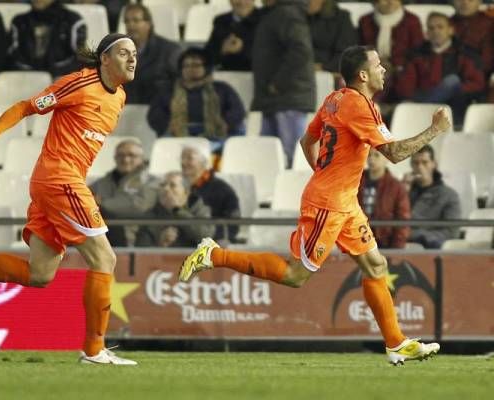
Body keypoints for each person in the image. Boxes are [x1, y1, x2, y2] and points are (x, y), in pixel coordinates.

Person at [180, 45, 450, 365]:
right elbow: (393, 154)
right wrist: (435, 130)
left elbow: (307, 141)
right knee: (295, 275)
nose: (384, 70)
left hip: (343, 201)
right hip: (328, 204)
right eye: (379, 65)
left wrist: (324, 175)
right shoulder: (360, 106)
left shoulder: (335, 99)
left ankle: (396, 343)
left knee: (376, 265)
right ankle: (213, 254)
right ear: (363, 75)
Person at [0, 33, 138, 366]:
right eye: (124, 52)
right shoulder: (78, 84)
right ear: (105, 58)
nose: (132, 58)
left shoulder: (119, 96)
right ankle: (94, 351)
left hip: (56, 183)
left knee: (40, 274)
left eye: (134, 53)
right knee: (104, 260)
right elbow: (26, 106)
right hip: (59, 179)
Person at [252, 0, 316, 167]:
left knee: (292, 157)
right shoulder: (279, 13)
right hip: (276, 98)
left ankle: (295, 192)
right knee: (270, 158)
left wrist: (279, 82)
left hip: (287, 97)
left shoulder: (286, 13)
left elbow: (301, 51)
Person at [147, 47, 246, 154]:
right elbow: (155, 114)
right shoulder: (168, 91)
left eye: (196, 65)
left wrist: (225, 124)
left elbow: (237, 111)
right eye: (186, 66)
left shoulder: (222, 88)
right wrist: (168, 125)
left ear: (207, 68)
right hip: (178, 136)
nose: (190, 69)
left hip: (215, 137)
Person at [396, 12, 485, 123]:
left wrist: (456, 91)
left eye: (440, 27)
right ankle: (426, 108)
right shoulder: (416, 55)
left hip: (453, 104)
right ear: (426, 33)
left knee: (452, 81)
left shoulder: (464, 54)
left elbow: (477, 84)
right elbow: (406, 86)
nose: (436, 31)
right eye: (431, 28)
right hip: (422, 96)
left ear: (451, 30)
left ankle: (423, 109)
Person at [89, 139, 159, 247]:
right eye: (121, 155)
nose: (126, 159)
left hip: (136, 238)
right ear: (115, 158)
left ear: (141, 158)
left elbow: (139, 206)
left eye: (131, 155)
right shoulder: (102, 182)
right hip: (101, 239)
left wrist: (101, 202)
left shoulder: (152, 182)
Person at [358, 0, 424, 102]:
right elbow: (360, 49)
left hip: (402, 68)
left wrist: (395, 65)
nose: (390, 2)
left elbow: (418, 51)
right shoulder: (365, 21)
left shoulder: (412, 21)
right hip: (373, 65)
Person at [121, 3, 181, 104]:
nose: (130, 25)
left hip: (158, 111)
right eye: (127, 21)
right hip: (126, 111)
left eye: (136, 20)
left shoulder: (169, 51)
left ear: (148, 24)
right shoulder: (118, 51)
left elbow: (179, 86)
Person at [134, 171, 214, 247]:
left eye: (172, 185)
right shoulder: (150, 216)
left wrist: (177, 210)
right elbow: (140, 250)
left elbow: (205, 236)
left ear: (186, 192)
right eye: (162, 185)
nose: (166, 189)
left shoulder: (199, 209)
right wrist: (160, 244)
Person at [8, 0, 86, 77]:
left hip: (62, 79)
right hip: (26, 78)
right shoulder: (19, 21)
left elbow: (79, 57)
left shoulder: (73, 20)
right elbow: (14, 58)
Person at [403, 145, 461, 249]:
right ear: (411, 165)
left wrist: (421, 236)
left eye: (425, 162)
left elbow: (451, 231)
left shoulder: (449, 195)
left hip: (429, 249)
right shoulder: (403, 191)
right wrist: (402, 193)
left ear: (434, 164)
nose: (420, 167)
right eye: (416, 163)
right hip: (400, 245)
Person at [181, 146, 241, 242]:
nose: (183, 163)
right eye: (182, 158)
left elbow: (233, 225)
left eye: (189, 158)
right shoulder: (174, 186)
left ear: (204, 162)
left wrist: (211, 236)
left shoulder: (223, 189)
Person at [358, 148, 410, 249]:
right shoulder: (356, 181)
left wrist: (396, 249)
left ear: (386, 158)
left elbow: (402, 219)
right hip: (358, 239)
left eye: (376, 155)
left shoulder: (396, 187)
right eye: (369, 155)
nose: (371, 159)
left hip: (384, 242)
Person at [204, 0, 264, 71]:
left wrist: (242, 49)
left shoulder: (266, 19)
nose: (242, 2)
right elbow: (207, 55)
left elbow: (272, 55)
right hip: (226, 74)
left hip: (258, 75)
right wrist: (222, 50)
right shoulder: (221, 21)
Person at [308, 0, 358, 75]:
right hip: (300, 70)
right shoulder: (295, 18)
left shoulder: (341, 17)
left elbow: (347, 53)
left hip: (328, 71)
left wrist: (324, 67)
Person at [451, 0, 494, 77]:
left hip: (485, 77)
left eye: (471, 0)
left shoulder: (490, 24)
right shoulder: (442, 25)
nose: (465, 3)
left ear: (479, 2)